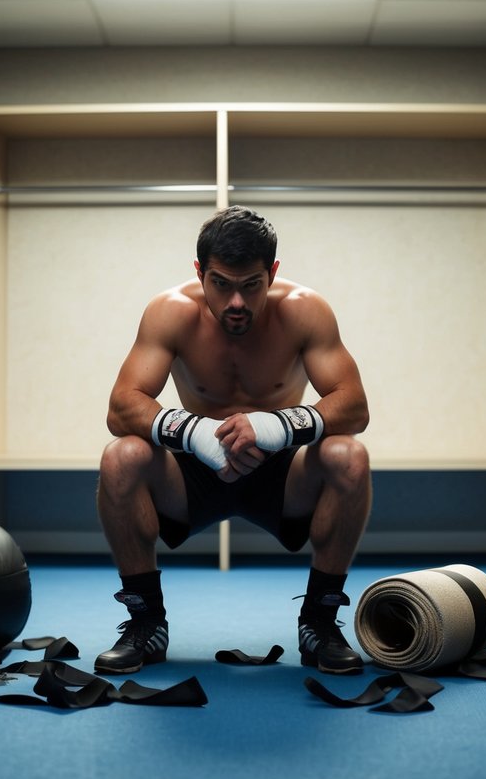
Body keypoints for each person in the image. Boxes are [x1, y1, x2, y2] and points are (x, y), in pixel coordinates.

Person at [94, 205, 372, 676]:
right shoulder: (170, 313)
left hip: (281, 473)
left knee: (349, 455)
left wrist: (274, 427)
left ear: (273, 273)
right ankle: (146, 623)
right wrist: (195, 432)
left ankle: (319, 624)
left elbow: (354, 407)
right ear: (200, 273)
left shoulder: (305, 311)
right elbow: (122, 406)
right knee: (122, 457)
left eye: (251, 285)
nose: (236, 302)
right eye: (221, 284)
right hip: (193, 471)